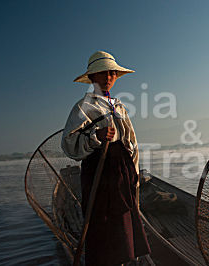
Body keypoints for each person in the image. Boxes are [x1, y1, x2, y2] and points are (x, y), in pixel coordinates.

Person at [61, 51, 151, 265]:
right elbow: (68, 143)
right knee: (102, 221)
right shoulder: (84, 106)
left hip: (121, 169)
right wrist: (95, 137)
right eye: (103, 74)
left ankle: (122, 260)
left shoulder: (118, 106)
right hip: (99, 172)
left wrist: (134, 172)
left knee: (124, 218)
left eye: (112, 74)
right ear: (92, 78)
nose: (108, 77)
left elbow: (131, 141)